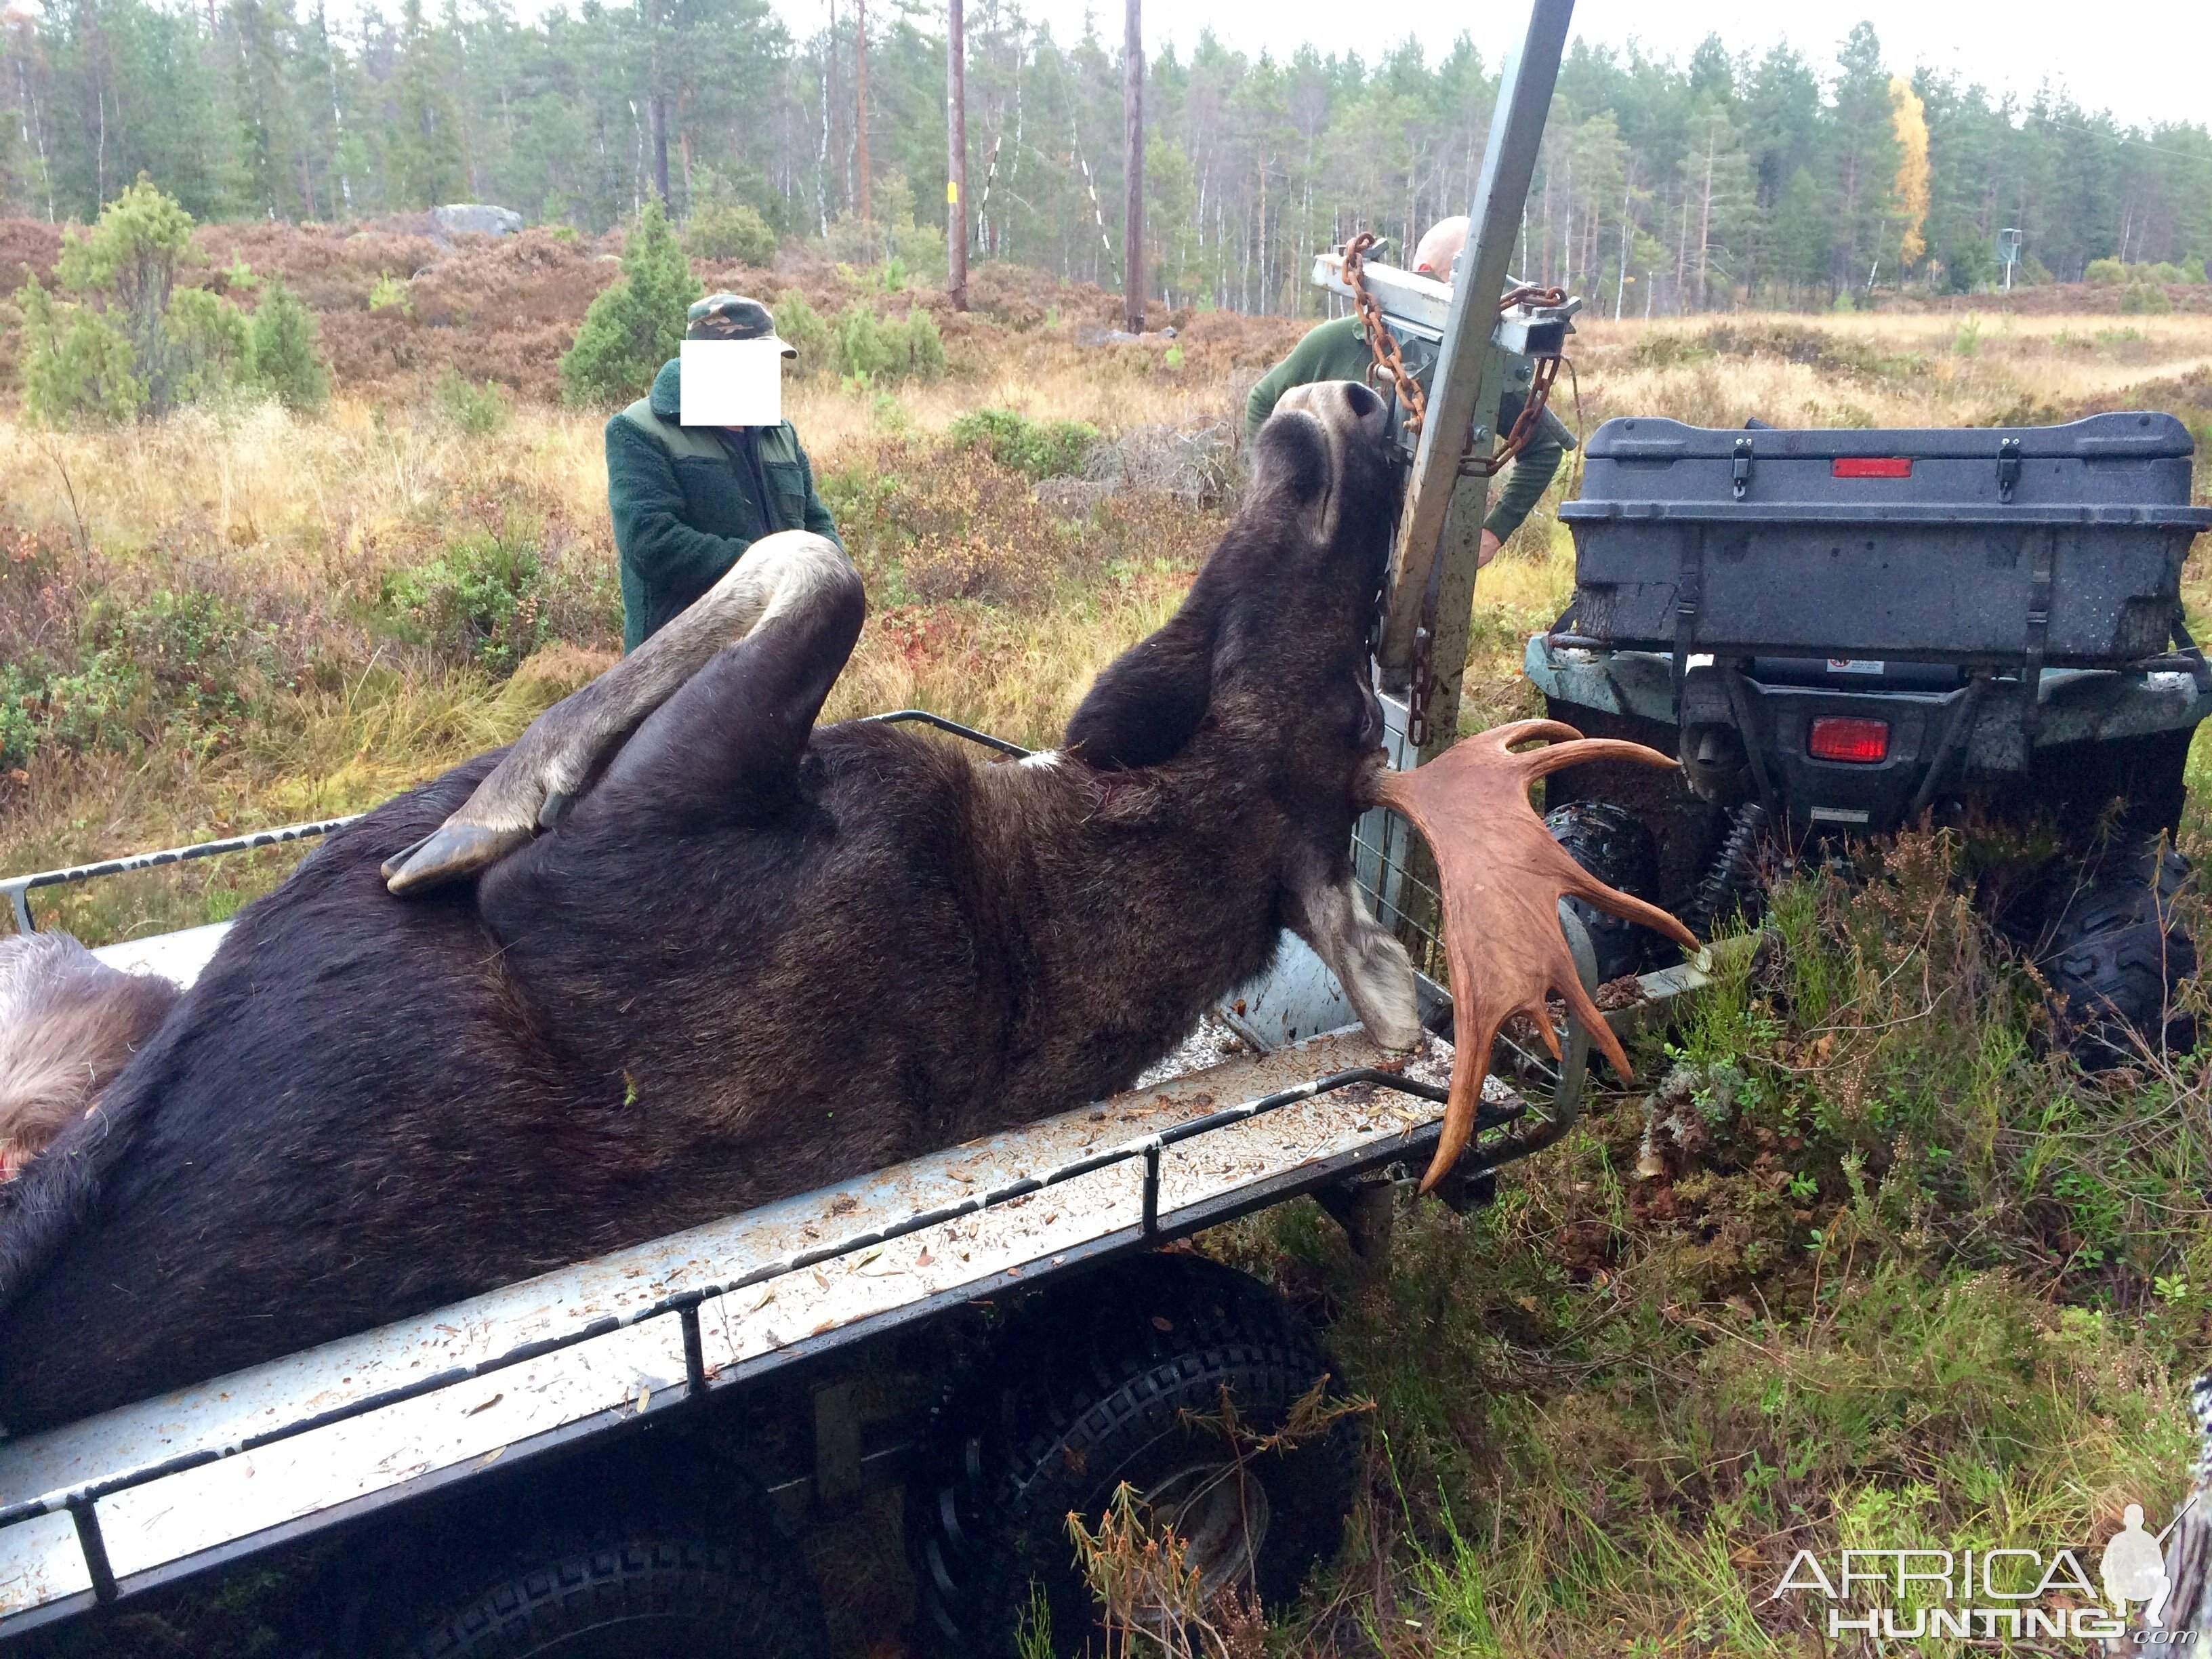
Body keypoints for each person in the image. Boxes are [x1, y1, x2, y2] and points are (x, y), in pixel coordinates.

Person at [1244, 216, 1567, 565]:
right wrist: (1281, 498)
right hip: (1322, 557)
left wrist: (1493, 533)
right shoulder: (1335, 343)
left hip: (1422, 564)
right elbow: (1263, 400)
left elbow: (1542, 447)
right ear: (1425, 272)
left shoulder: (1480, 371)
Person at [606, 293, 844, 653]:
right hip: (675, 661)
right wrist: (770, 570)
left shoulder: (780, 433)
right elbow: (650, 543)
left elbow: (816, 523)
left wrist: (832, 574)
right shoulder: (639, 431)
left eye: (770, 362)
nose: (769, 374)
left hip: (777, 651)